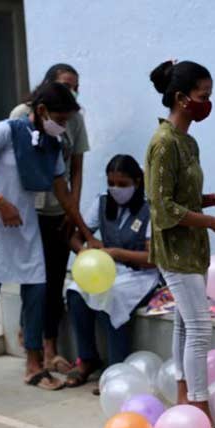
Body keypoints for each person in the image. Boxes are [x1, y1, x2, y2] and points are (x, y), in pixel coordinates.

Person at [0, 82, 96, 402]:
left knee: (36, 295)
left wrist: (86, 235)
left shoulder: (53, 145)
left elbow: (64, 195)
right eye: (61, 118)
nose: (65, 125)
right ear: (42, 111)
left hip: (25, 227)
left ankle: (34, 366)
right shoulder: (6, 131)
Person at [145, 59, 215, 423]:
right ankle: (198, 408)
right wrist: (212, 221)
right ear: (182, 99)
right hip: (175, 250)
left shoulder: (187, 142)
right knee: (200, 327)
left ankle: (185, 397)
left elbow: (181, 197)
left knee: (186, 324)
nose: (208, 103)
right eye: (204, 96)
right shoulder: (163, 143)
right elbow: (162, 208)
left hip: (193, 248)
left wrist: (214, 198)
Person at [11, 64, 91, 375]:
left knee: (56, 278)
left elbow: (76, 168)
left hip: (59, 208)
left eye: (76, 86)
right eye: (66, 85)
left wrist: (74, 212)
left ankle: (50, 348)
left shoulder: (75, 120)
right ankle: (32, 343)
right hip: (30, 210)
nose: (72, 91)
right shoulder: (21, 114)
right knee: (34, 280)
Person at [64, 155, 160, 387]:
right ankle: (87, 359)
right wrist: (84, 251)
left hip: (140, 274)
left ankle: (116, 369)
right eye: (112, 183)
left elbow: (153, 258)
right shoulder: (102, 203)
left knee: (113, 296)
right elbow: (75, 237)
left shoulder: (149, 209)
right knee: (75, 292)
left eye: (123, 184)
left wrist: (117, 253)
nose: (116, 189)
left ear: (137, 182)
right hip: (107, 269)